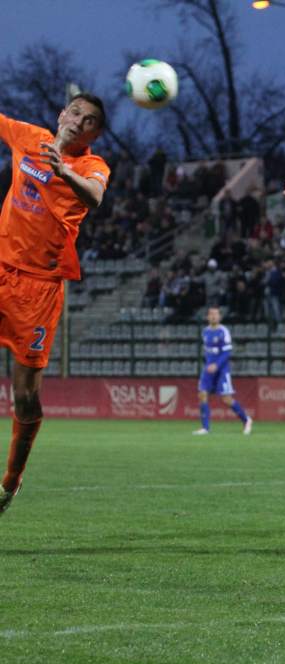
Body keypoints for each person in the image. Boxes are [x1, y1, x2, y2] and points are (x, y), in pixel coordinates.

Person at [0, 94, 110, 516]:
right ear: (63, 115)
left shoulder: (91, 167)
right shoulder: (28, 138)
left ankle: (10, 480)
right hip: (2, 268)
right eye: (76, 113)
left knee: (25, 396)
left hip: (40, 288)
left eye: (90, 121)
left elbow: (94, 197)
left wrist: (63, 169)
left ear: (93, 135)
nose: (80, 121)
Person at [193, 306, 253, 436]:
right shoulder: (205, 332)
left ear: (220, 317)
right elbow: (208, 352)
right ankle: (205, 428)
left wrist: (216, 365)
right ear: (208, 317)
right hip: (208, 369)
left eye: (216, 314)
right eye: (211, 314)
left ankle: (246, 420)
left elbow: (227, 352)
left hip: (221, 369)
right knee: (202, 394)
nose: (213, 316)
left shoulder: (223, 331)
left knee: (226, 399)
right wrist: (209, 364)